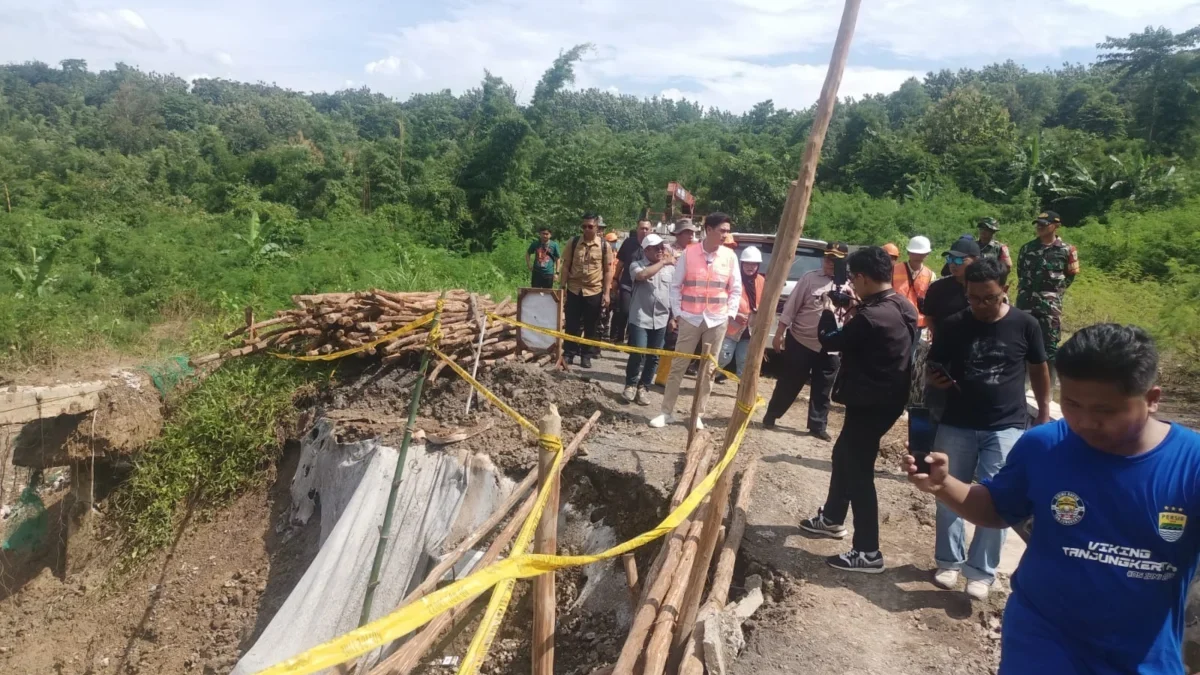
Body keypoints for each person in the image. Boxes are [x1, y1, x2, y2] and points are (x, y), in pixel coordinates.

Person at [904, 324, 1200, 674]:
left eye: (1105, 411)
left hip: (1142, 657)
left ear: (1152, 399)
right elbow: (996, 509)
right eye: (1072, 404)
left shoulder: (1191, 465)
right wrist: (943, 484)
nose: (1085, 422)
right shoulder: (1044, 444)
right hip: (1041, 643)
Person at [925, 257, 1052, 600]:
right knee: (947, 492)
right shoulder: (953, 324)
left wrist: (1042, 410)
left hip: (1006, 424)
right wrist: (936, 379)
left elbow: (1039, 368)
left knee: (999, 499)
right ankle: (949, 562)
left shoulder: (1025, 324)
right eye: (974, 298)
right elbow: (933, 365)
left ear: (1005, 291)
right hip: (957, 422)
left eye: (989, 298)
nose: (980, 305)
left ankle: (981, 571)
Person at [799, 247, 917, 573]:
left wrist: (827, 310)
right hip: (886, 399)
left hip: (871, 402)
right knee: (843, 456)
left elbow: (831, 340)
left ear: (862, 277)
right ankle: (833, 517)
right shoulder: (899, 305)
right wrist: (852, 305)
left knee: (859, 472)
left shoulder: (871, 316)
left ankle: (868, 551)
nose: (851, 284)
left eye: (853, 278)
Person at [650, 213, 742, 429]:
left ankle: (697, 414)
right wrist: (678, 313)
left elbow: (735, 288)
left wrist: (729, 314)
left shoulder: (730, 257)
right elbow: (675, 285)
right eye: (722, 230)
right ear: (708, 230)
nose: (725, 235)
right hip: (690, 318)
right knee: (678, 366)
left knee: (709, 369)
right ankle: (666, 412)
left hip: (717, 319)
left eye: (728, 231)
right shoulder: (689, 253)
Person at [762, 242, 852, 440]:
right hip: (802, 340)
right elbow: (791, 306)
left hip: (831, 346)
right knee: (789, 382)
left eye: (835, 260)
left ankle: (817, 426)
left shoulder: (850, 285)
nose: (829, 263)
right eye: (827, 258)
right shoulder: (809, 278)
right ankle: (772, 415)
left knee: (823, 387)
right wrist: (779, 333)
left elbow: (851, 317)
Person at [1017, 211, 1080, 385]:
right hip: (1026, 303)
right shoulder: (1027, 248)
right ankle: (1022, 385)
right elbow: (1021, 272)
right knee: (1022, 343)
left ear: (1056, 225)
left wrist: (1053, 293)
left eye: (1044, 224)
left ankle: (1047, 387)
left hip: (1050, 306)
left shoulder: (1067, 250)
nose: (1039, 227)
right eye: (1038, 224)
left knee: (1049, 346)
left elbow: (1069, 276)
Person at [623, 234, 675, 405]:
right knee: (639, 351)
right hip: (640, 317)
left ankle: (643, 387)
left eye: (662, 247)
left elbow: (674, 295)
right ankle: (630, 385)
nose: (661, 250)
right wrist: (663, 263)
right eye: (656, 248)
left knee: (654, 356)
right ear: (646, 250)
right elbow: (643, 275)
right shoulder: (636, 265)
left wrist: (673, 318)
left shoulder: (670, 269)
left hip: (661, 318)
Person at [560, 213, 613, 369]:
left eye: (590, 226)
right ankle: (569, 354)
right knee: (571, 324)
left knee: (591, 325)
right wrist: (562, 286)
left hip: (594, 290)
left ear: (597, 227)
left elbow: (608, 271)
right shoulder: (574, 242)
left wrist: (606, 293)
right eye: (584, 226)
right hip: (574, 289)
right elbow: (565, 265)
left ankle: (586, 355)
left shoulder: (604, 246)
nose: (587, 229)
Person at [717, 246, 765, 380]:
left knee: (744, 361)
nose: (750, 267)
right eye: (747, 263)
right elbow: (720, 301)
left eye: (754, 264)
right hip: (730, 328)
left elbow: (764, 303)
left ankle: (741, 392)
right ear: (742, 263)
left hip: (749, 330)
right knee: (723, 357)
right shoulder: (733, 279)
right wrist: (734, 314)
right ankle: (708, 381)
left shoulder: (761, 281)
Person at [923, 237, 979, 336]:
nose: (953, 264)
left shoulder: (984, 287)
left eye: (959, 260)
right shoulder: (937, 287)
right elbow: (929, 317)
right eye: (950, 259)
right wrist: (939, 338)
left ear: (975, 260)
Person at [612, 220, 653, 345]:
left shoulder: (654, 245)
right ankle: (618, 337)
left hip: (643, 287)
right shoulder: (629, 243)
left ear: (650, 230)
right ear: (637, 229)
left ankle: (632, 340)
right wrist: (615, 279)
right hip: (627, 283)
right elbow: (620, 263)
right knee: (625, 311)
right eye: (642, 228)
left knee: (637, 314)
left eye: (647, 229)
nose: (644, 231)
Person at [893, 236, 935, 339]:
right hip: (896, 320)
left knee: (911, 354)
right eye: (915, 252)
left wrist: (931, 326)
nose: (918, 256)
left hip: (917, 323)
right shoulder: (893, 270)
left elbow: (932, 302)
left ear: (927, 254)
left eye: (922, 253)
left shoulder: (930, 275)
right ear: (909, 252)